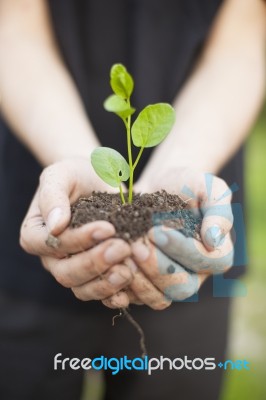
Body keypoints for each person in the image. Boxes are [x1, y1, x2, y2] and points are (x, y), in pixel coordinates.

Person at [0, 0, 265, 399]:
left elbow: (245, 37)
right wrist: (73, 160)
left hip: (197, 198)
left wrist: (183, 166)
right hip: (38, 188)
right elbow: (13, 26)